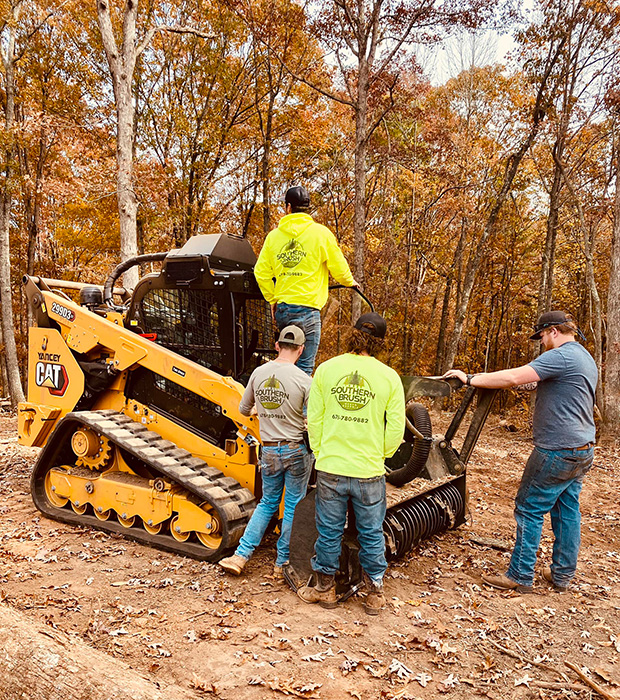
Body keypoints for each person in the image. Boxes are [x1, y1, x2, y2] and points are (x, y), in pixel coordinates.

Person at [444, 310, 597, 593]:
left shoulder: (560, 355)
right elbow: (536, 381)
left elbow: (514, 377)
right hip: (582, 448)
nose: (540, 342)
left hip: (556, 450)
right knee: (567, 510)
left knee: (529, 508)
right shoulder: (583, 356)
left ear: (553, 331)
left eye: (541, 336)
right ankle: (562, 575)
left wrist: (469, 379)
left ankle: (520, 575)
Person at [297, 312, 405, 614]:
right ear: (379, 343)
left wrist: (321, 451)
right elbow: (395, 429)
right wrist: (378, 454)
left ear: (353, 335)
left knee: (329, 530)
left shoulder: (326, 370)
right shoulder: (389, 377)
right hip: (369, 470)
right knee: (371, 532)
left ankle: (325, 589)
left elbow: (313, 420)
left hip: (331, 466)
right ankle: (374, 594)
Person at [219, 325, 312, 577]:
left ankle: (240, 556)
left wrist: (260, 411)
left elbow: (243, 409)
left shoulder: (259, 373)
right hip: (296, 450)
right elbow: (312, 419)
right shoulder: (305, 380)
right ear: (301, 350)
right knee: (292, 505)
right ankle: (282, 563)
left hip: (269, 450)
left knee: (267, 503)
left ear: (277, 346)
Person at [254, 185, 359, 375]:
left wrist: (273, 299)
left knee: (284, 366)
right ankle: (301, 406)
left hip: (284, 310)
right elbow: (338, 267)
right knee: (303, 371)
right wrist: (350, 281)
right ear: (308, 208)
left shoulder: (273, 237)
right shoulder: (321, 234)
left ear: (288, 207)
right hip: (309, 312)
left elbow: (261, 272)